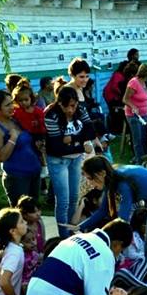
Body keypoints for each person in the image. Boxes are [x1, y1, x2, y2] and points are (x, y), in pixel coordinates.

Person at [78, 157, 147, 295]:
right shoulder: (112, 178)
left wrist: (103, 237)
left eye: (90, 178)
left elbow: (123, 220)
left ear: (101, 173)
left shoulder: (122, 183)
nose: (89, 183)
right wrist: (79, 227)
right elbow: (103, 211)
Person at [44, 86, 97, 238]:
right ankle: (63, 236)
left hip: (75, 158)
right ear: (59, 103)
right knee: (63, 200)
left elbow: (91, 131)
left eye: (73, 105)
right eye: (66, 106)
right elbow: (57, 147)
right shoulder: (51, 115)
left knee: (74, 197)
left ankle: (72, 231)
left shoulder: (80, 110)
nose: (70, 110)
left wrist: (72, 139)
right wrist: (81, 145)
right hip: (58, 160)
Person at [0, 90, 42, 205]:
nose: (12, 107)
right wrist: (13, 139)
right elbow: (0, 157)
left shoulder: (16, 120)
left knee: (34, 214)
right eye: (7, 105)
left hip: (34, 173)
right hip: (17, 178)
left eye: (12, 103)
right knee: (21, 217)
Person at [123, 63, 147, 164]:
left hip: (145, 114)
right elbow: (125, 99)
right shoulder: (134, 83)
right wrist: (133, 106)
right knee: (138, 140)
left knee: (145, 138)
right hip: (134, 116)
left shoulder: (145, 84)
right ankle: (139, 162)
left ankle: (143, 158)